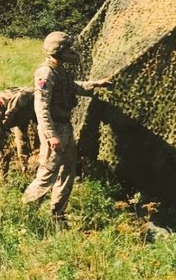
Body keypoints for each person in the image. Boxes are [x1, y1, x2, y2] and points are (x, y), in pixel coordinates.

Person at [21, 31, 112, 222]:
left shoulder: (59, 70)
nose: (72, 51)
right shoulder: (45, 72)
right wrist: (51, 135)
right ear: (59, 50)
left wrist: (96, 84)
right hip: (54, 128)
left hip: (65, 127)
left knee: (67, 171)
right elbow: (41, 106)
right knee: (47, 173)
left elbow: (72, 87)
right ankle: (26, 214)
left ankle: (58, 215)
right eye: (68, 48)